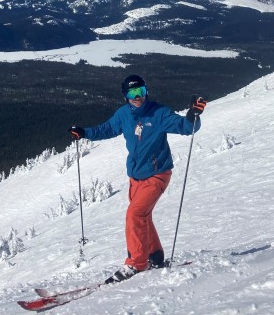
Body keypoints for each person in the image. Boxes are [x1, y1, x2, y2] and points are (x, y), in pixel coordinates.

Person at [69, 74, 206, 284]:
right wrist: (84, 132)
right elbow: (107, 129)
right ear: (125, 96)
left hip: (157, 174)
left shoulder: (158, 113)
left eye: (140, 91)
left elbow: (186, 128)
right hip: (136, 178)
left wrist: (192, 115)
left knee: (135, 215)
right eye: (132, 93)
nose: (137, 96)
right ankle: (155, 255)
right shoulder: (124, 114)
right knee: (143, 216)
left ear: (146, 91)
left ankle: (136, 262)